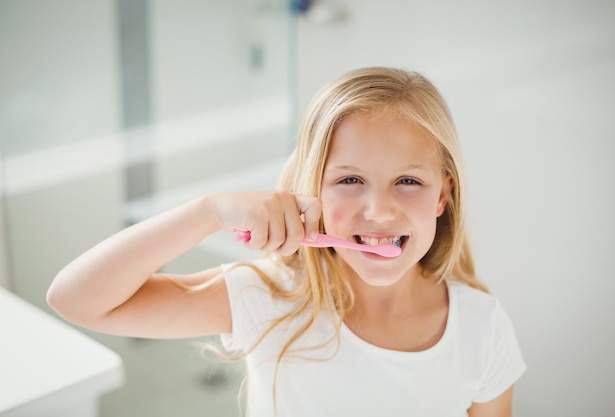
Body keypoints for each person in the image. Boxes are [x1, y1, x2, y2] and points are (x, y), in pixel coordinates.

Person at [47, 67, 526, 417]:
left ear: (443, 194)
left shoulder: (482, 330)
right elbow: (75, 300)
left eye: (407, 182)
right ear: (311, 188)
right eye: (350, 179)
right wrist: (207, 211)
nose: (379, 210)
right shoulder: (268, 298)